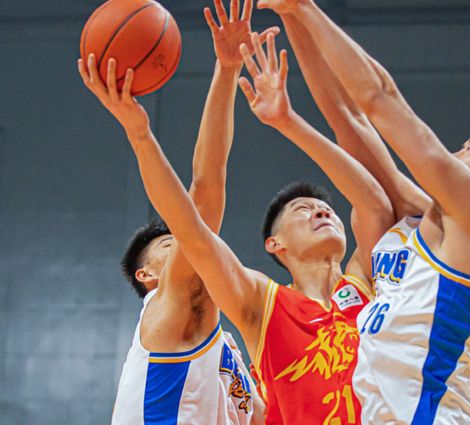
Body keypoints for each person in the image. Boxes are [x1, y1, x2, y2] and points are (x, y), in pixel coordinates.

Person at [255, 1, 470, 423]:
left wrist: (307, 7)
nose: (454, 154)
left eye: (469, 150)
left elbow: (378, 97)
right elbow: (347, 119)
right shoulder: (416, 215)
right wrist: (291, 16)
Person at [83, 23, 393, 425]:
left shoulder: (233, 358)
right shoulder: (249, 301)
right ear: (275, 243)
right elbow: (200, 207)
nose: (320, 211)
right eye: (170, 244)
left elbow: (374, 202)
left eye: (324, 208)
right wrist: (140, 133)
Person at [78, 0, 275, 423]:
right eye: (171, 244)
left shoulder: (224, 348)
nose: (188, 241)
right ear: (147, 276)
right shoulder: (173, 306)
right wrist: (139, 131)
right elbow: (205, 190)